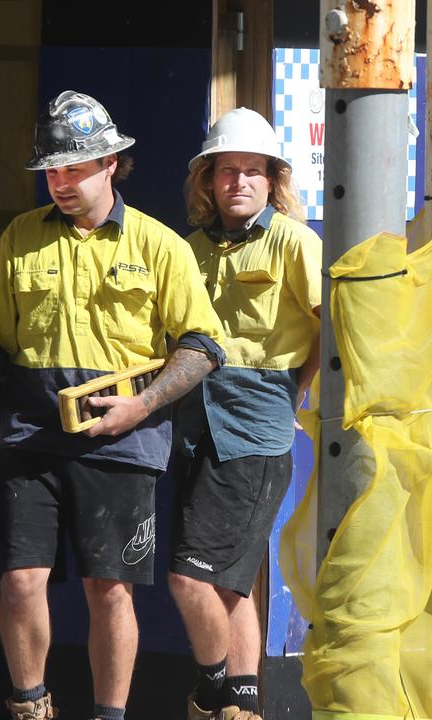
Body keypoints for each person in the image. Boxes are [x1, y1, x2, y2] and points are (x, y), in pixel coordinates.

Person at [0, 90, 226, 720]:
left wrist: (141, 407)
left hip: (123, 442)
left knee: (109, 589)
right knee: (20, 581)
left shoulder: (162, 247)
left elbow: (203, 344)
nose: (59, 181)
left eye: (73, 168)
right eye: (51, 169)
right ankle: (30, 706)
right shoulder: (19, 238)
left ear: (111, 163)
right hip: (30, 435)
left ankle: (110, 715)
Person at [168, 107, 321, 720]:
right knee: (229, 584)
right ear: (207, 180)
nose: (239, 182)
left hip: (256, 420)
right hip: (192, 420)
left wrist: (297, 393)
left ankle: (210, 689)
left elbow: (334, 325)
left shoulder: (292, 239)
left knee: (189, 576)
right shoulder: (189, 248)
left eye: (252, 171)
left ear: (273, 180)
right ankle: (243, 705)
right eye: (226, 170)